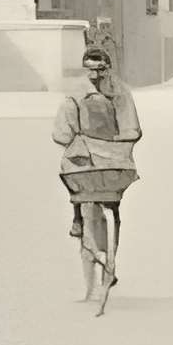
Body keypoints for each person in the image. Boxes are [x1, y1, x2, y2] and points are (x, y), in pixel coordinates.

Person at [51, 48, 142, 276]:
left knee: (103, 196)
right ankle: (79, 216)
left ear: (108, 69)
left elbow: (131, 126)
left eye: (100, 70)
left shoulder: (118, 92)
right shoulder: (77, 94)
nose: (95, 75)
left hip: (109, 158)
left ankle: (100, 244)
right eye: (90, 70)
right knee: (80, 177)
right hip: (97, 159)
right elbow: (63, 129)